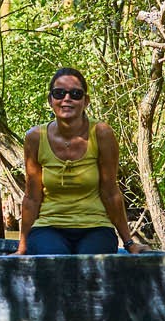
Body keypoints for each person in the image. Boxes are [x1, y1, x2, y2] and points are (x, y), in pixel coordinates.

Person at [16, 67, 145, 255]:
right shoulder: (35, 137)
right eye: (59, 93)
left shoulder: (101, 133)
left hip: (95, 225)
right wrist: (22, 248)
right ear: (50, 100)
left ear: (86, 101)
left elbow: (110, 191)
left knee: (90, 264)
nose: (66, 99)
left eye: (75, 94)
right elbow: (32, 196)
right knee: (55, 261)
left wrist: (129, 243)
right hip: (48, 226)